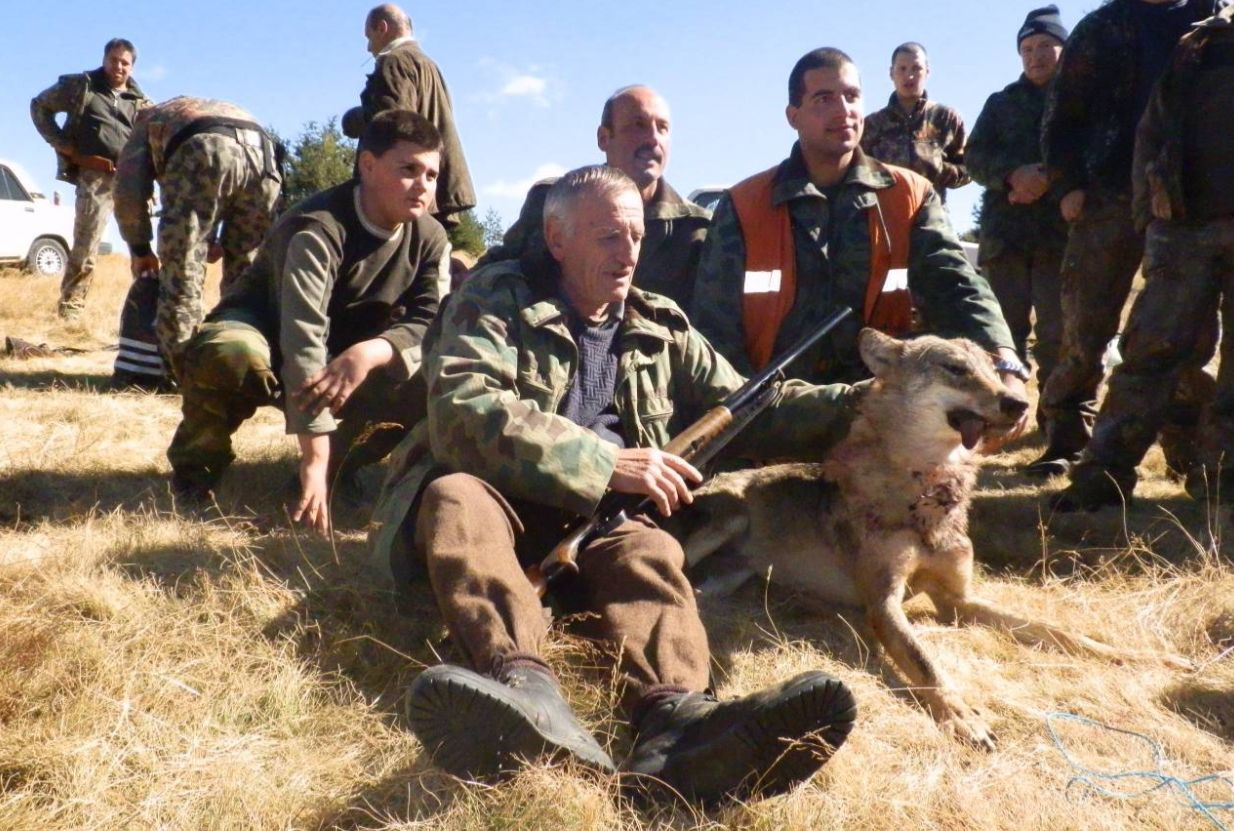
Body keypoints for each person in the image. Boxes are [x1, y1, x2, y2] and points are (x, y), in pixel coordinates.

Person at [370, 166, 857, 804]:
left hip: (601, 523)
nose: (629, 252)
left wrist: (878, 399)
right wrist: (606, 463)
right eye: (607, 236)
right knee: (453, 495)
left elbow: (756, 406)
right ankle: (523, 690)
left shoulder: (661, 323)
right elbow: (463, 410)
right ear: (556, 237)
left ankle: (679, 728)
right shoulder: (494, 297)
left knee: (650, 551)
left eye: (636, 235)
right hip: (496, 503)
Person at [690, 47, 1026, 422]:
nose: (843, 110)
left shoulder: (909, 196)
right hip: (771, 410)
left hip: (882, 406)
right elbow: (713, 328)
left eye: (852, 97)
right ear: (793, 116)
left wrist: (1004, 360)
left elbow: (956, 284)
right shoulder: (745, 205)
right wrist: (740, 408)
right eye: (823, 99)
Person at [167, 110, 448, 535]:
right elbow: (302, 338)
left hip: (344, 353)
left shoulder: (430, 238)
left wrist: (372, 352)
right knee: (230, 353)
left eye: (431, 174)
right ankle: (196, 469)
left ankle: (336, 469)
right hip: (269, 333)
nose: (422, 185)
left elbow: (432, 320)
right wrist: (311, 454)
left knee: (433, 374)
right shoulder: (318, 228)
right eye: (408, 169)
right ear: (367, 166)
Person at [1029, 0, 1228, 476]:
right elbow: (1062, 115)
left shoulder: (1213, 23)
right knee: (1085, 330)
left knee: (1188, 340)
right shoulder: (1102, 27)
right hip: (1107, 196)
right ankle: (1066, 442)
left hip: (1185, 208)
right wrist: (1068, 184)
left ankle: (1184, 450)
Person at [477, 85, 711, 309]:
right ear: (603, 138)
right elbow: (499, 273)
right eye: (638, 125)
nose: (652, 139)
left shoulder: (697, 229)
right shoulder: (555, 202)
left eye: (662, 128)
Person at [111, 96, 283, 389]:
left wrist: (139, 248)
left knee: (182, 279)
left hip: (204, 148)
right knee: (250, 280)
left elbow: (127, 187)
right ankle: (250, 369)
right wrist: (214, 236)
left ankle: (187, 377)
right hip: (264, 155)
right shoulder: (205, 107)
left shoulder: (147, 119)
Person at [966, 6, 1070, 425]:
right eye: (1027, 48)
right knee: (1001, 334)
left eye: (1046, 45)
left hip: (1059, 237)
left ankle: (1056, 419)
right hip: (1004, 239)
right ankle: (1000, 417)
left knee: (1057, 335)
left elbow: (1098, 153)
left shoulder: (1081, 101)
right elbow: (972, 157)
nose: (1036, 55)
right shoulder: (1000, 103)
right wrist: (1012, 175)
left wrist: (1048, 176)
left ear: (1065, 49)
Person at [30, 38, 149, 320]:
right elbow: (39, 106)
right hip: (95, 176)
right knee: (86, 246)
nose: (118, 67)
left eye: (125, 63)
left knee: (141, 245)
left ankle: (144, 312)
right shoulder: (81, 86)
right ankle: (71, 309)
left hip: (132, 180)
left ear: (132, 67)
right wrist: (61, 144)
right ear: (104, 58)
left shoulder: (143, 102)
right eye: (114, 60)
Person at [341, 3, 475, 227]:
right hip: (431, 187)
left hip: (405, 193)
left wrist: (354, 119)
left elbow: (394, 126)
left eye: (369, 36)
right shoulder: (429, 65)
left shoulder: (394, 61)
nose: (368, 47)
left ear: (382, 28)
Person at [860, 42, 969, 202]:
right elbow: (855, 171)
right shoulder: (872, 124)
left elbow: (970, 167)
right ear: (891, 73)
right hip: (886, 215)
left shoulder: (946, 118)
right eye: (902, 69)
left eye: (916, 68)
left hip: (932, 214)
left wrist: (939, 170)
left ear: (927, 71)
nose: (909, 76)